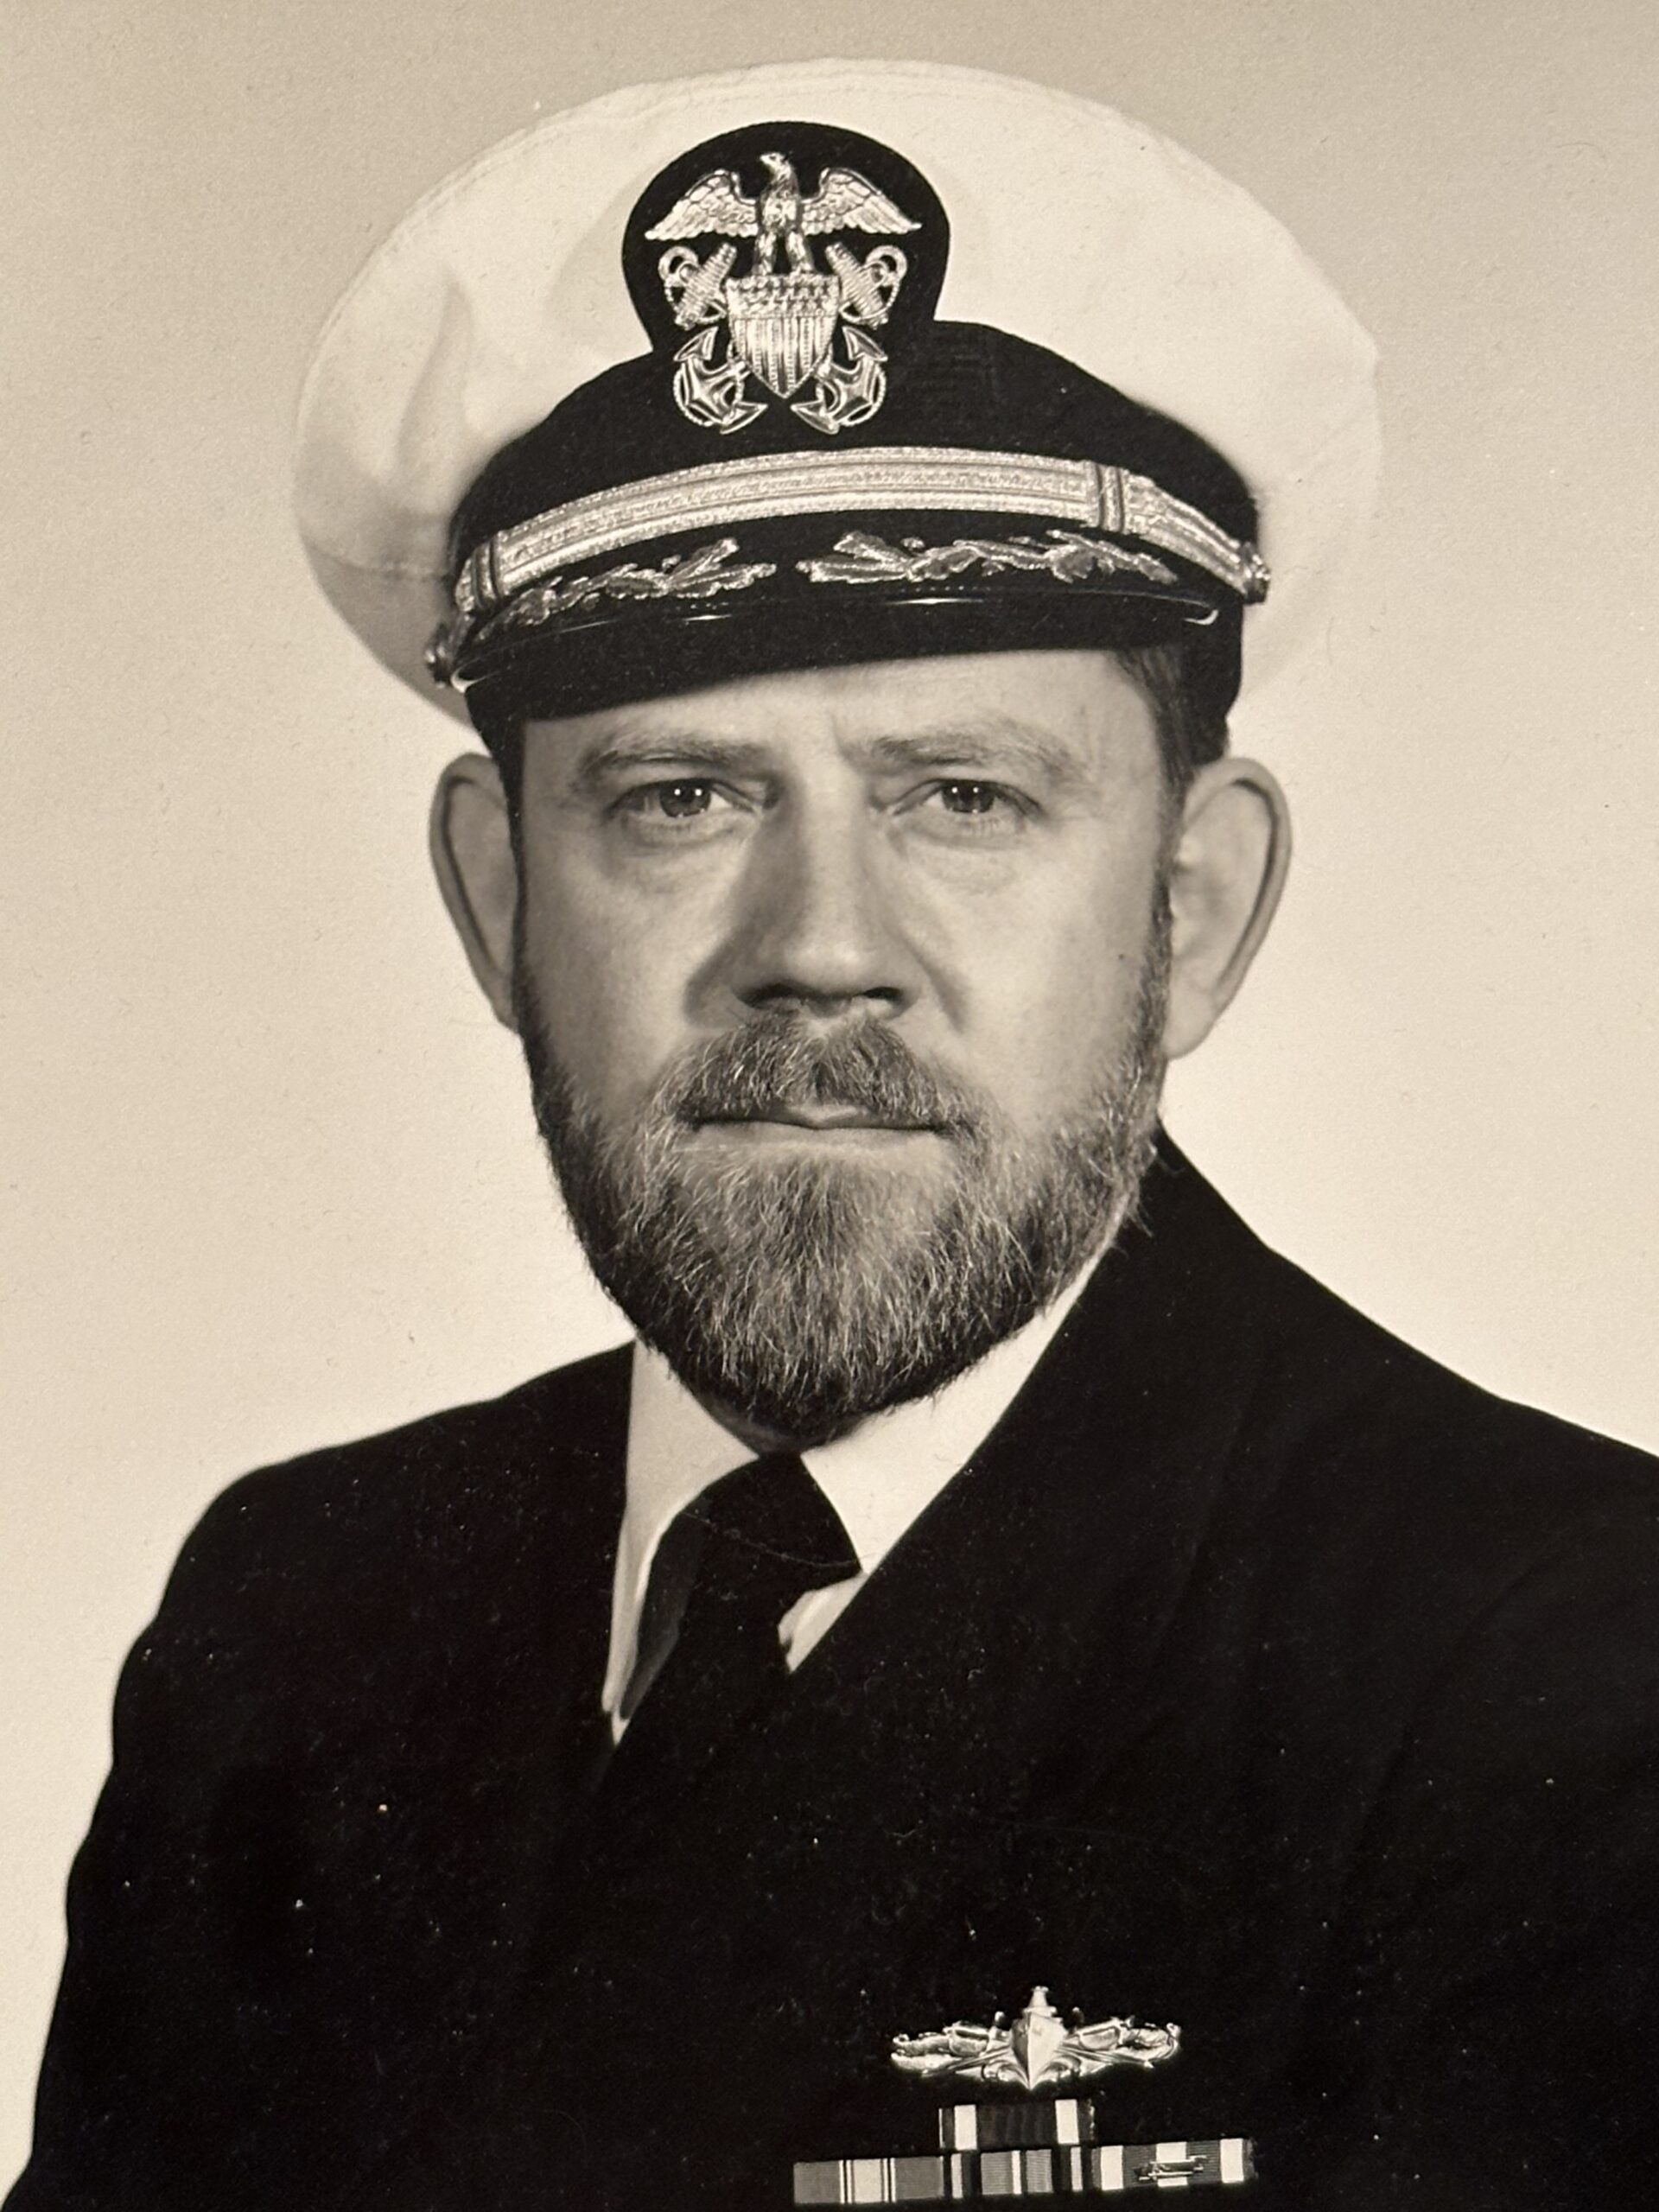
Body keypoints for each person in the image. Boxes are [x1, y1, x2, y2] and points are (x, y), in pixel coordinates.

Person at [9, 59, 1657, 2212]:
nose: (817, 950)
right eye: (680, 799)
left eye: (963, 798)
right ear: (499, 900)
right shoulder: (296, 1619)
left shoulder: (1561, 1668)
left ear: (1192, 906)